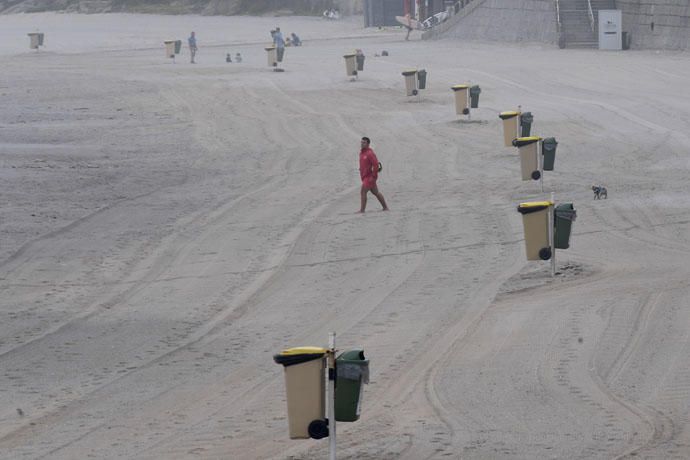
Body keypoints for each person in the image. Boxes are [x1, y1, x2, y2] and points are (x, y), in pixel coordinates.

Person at [359, 137, 388, 213]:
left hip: (369, 177)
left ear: (368, 144)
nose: (362, 144)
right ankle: (385, 207)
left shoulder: (370, 153)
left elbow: (376, 165)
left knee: (363, 192)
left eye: (364, 142)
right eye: (361, 142)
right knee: (376, 192)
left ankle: (362, 210)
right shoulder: (362, 153)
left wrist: (373, 176)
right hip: (365, 176)